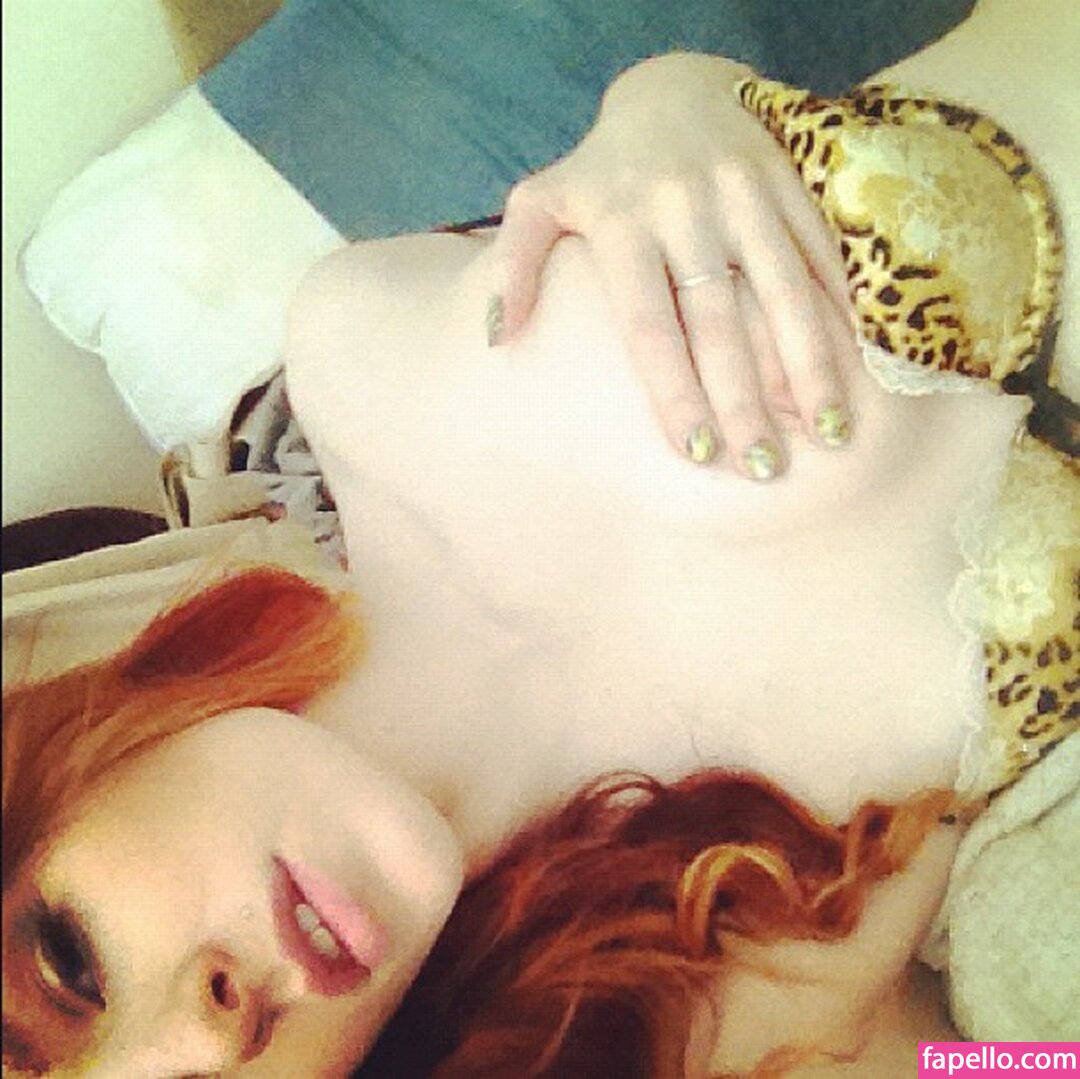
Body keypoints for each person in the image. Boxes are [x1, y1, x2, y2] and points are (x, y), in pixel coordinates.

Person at [3, 0, 1076, 1074]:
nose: (206, 1032)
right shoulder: (689, 1019)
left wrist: (672, 100)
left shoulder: (359, 347)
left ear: (43, 775)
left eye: (69, 964)